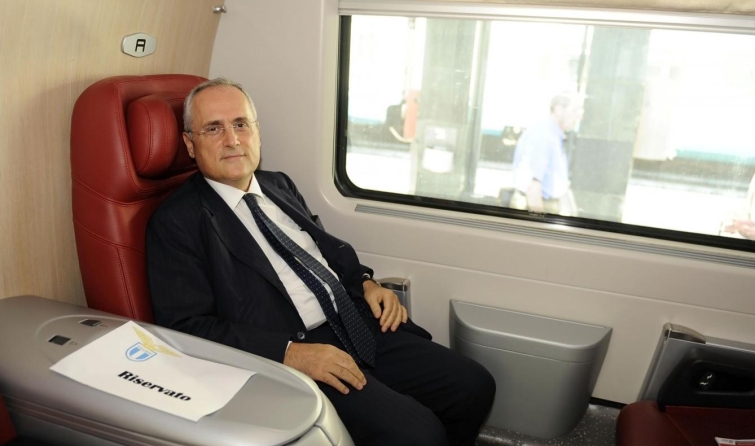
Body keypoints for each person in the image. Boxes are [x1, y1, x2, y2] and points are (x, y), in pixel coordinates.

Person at [146, 78, 495, 446]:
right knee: (420, 434)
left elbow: (324, 253)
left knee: (474, 385)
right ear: (190, 144)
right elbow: (187, 327)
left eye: (241, 124)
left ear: (257, 132)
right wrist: (290, 354)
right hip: (294, 350)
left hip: (354, 320)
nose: (232, 140)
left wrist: (365, 283)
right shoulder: (176, 221)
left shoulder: (278, 185)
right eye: (214, 128)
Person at [509, 94, 584, 215]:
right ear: (559, 109)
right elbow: (533, 188)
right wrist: (539, 223)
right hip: (539, 207)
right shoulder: (544, 136)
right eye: (574, 110)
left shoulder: (553, 135)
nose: (579, 116)